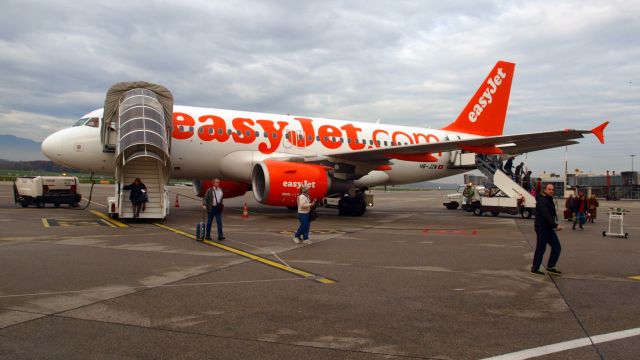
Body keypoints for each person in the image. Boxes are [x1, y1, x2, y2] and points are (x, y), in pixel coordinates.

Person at [531, 184, 563, 275]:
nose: (551, 191)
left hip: (548, 227)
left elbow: (551, 214)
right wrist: (555, 225)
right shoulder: (541, 200)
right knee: (541, 248)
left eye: (552, 189)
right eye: (549, 189)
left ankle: (551, 266)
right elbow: (545, 215)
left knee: (557, 246)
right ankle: (535, 268)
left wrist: (553, 225)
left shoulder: (549, 199)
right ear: (544, 190)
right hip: (542, 227)